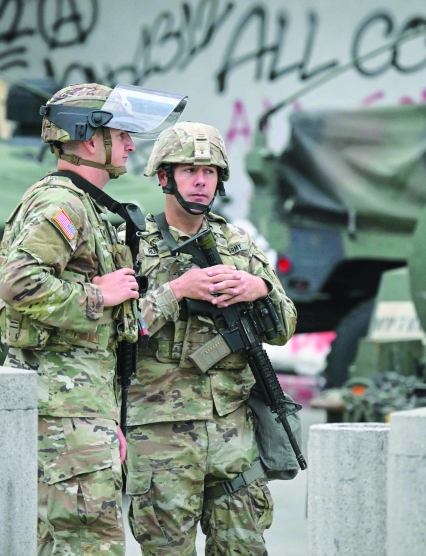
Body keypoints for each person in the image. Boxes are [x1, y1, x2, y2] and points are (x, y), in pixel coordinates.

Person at [0, 83, 186, 556]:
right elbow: (19, 285)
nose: (132, 146)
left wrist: (104, 416)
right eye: (122, 134)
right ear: (91, 139)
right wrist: (99, 294)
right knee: (90, 544)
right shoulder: (65, 204)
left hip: (76, 409)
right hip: (63, 415)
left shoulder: (83, 203)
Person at [124, 122, 297, 555]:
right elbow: (118, 331)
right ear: (164, 176)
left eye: (210, 171)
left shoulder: (239, 245)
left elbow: (285, 326)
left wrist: (259, 291)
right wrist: (176, 292)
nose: (201, 181)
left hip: (231, 431)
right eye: (189, 170)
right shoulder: (133, 245)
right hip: (160, 432)